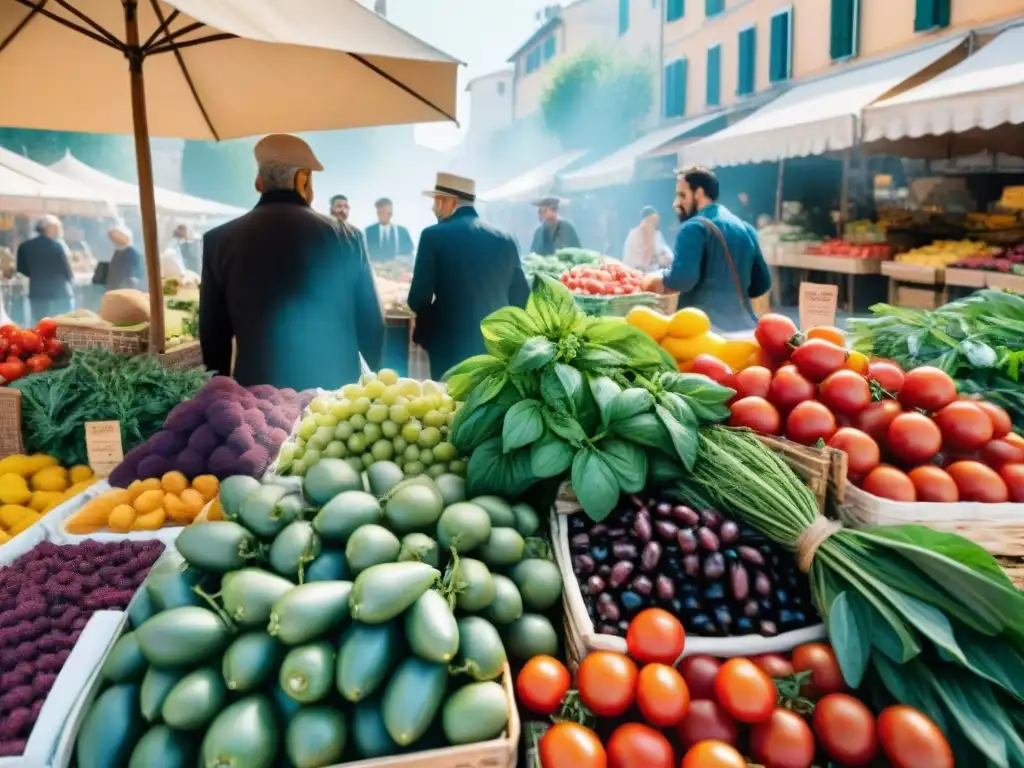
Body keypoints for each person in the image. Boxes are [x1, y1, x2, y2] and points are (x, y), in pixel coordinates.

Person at [199, 134, 384, 391]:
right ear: (303, 179)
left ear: (258, 182)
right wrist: (370, 380)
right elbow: (372, 324)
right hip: (332, 399)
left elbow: (213, 333)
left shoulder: (219, 240)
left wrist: (220, 391)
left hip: (258, 397)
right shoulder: (347, 237)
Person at [408, 172, 529, 379]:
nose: (433, 207)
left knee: (449, 405)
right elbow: (521, 297)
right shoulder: (505, 238)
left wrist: (426, 330)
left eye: (436, 201)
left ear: (449, 202)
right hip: (495, 342)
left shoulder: (432, 235)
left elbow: (418, 298)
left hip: (448, 343)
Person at [641, 166, 771, 333]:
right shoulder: (745, 228)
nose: (676, 203)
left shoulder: (693, 227)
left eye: (682, 195)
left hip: (704, 331)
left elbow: (683, 280)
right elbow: (761, 285)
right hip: (745, 328)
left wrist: (656, 280)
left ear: (699, 193)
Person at [16, 215, 75, 320]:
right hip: (59, 292)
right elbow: (65, 268)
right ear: (49, 228)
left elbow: (21, 269)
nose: (60, 230)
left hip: (37, 292)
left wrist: (37, 275)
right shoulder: (56, 245)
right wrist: (71, 280)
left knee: (40, 324)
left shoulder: (24, 246)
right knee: (62, 325)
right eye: (58, 227)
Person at [622, 206, 673, 272]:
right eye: (653, 220)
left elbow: (666, 255)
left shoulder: (657, 234)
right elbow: (636, 260)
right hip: (636, 272)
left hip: (653, 272)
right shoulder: (634, 234)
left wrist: (663, 257)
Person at [364, 197, 413, 261]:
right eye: (380, 212)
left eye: (388, 212)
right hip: (375, 268)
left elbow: (409, 254)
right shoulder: (368, 232)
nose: (384, 215)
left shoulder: (402, 231)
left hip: (398, 268)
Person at [105, 225, 147, 291]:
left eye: (119, 235)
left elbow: (132, 274)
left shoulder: (132, 252)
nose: (115, 238)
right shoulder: (117, 252)